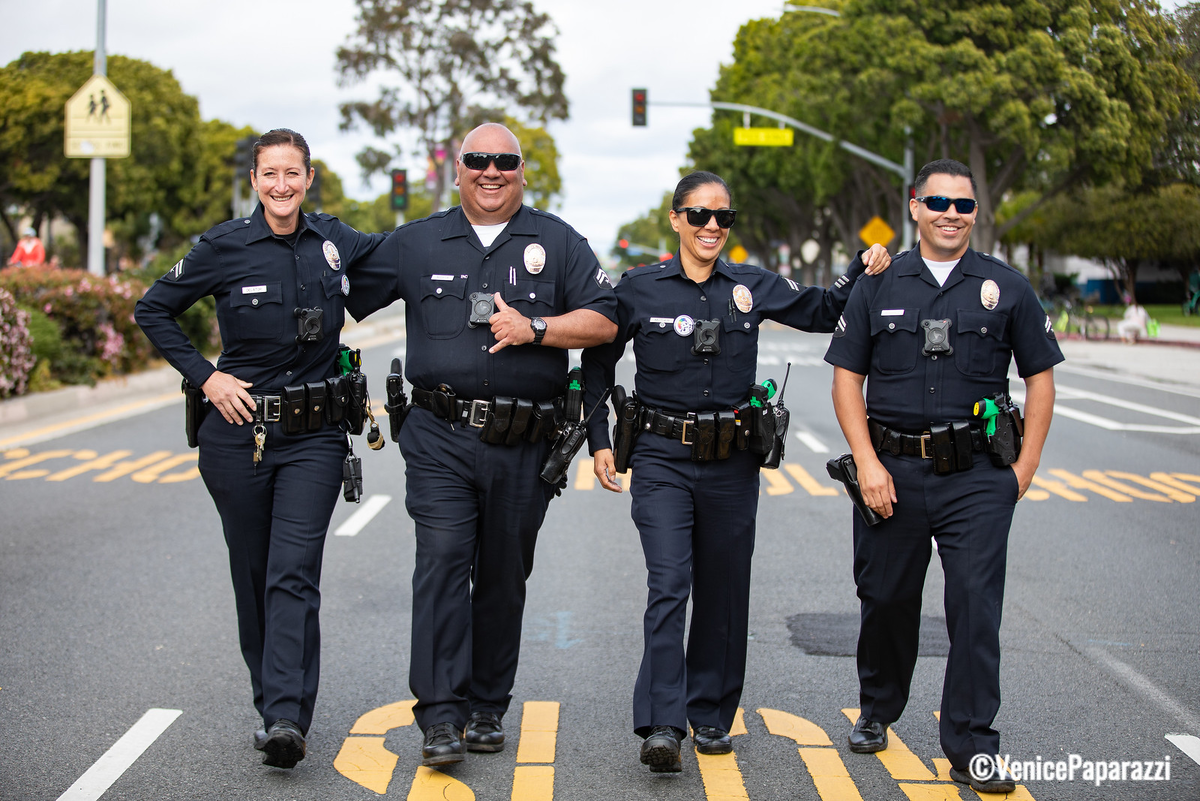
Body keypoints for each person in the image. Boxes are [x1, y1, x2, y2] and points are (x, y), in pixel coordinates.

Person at [581, 171, 891, 773]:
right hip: (663, 459)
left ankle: (713, 716)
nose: (712, 227)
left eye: (723, 217)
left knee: (724, 592)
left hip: (732, 463)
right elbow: (597, 363)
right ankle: (664, 724)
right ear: (675, 220)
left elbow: (823, 309)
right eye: (699, 215)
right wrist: (599, 442)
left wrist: (861, 266)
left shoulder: (753, 285)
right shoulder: (638, 288)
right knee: (669, 584)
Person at [345, 122, 618, 767]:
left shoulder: (557, 241)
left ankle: (488, 705)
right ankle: (440, 716)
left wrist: (539, 327)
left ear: (523, 170)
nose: (490, 172)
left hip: (526, 443)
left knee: (503, 575)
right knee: (441, 563)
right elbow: (339, 287)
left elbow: (604, 319)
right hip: (439, 437)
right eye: (477, 160)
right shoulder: (416, 242)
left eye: (504, 161)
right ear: (457, 169)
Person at [135, 128, 386, 770]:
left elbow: (399, 257)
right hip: (237, 438)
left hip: (315, 438)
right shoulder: (224, 246)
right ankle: (271, 698)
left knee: (293, 573)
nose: (282, 185)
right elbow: (153, 309)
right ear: (255, 180)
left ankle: (286, 717)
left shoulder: (335, 241)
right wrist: (206, 376)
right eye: (270, 174)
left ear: (309, 177)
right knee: (252, 577)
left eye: (293, 174)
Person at [824, 159, 1063, 794]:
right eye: (937, 202)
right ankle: (877, 707)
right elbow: (846, 378)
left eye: (961, 204)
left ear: (975, 212)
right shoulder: (878, 284)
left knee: (976, 609)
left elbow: (1041, 376)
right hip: (890, 473)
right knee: (887, 600)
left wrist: (1024, 468)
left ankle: (973, 745)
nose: (949, 214)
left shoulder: (1006, 288)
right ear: (914, 207)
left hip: (979, 478)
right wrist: (867, 463)